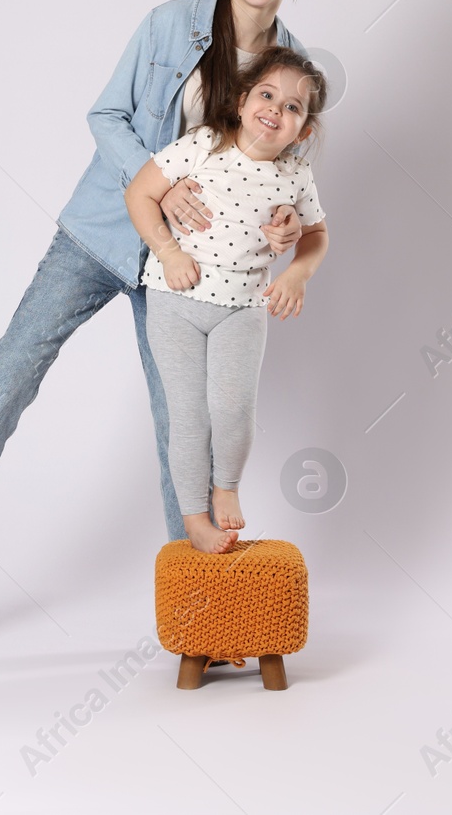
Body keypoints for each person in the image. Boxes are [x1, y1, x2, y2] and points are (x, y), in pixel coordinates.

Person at [0, 0, 314, 596]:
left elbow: (276, 174)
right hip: (103, 231)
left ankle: (197, 597)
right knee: (13, 365)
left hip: (189, 268)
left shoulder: (288, 69)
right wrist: (160, 188)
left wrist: (287, 224)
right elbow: (105, 113)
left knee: (183, 419)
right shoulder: (170, 24)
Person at [125, 47, 330, 553]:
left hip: (242, 308)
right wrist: (169, 252)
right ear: (241, 101)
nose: (275, 110)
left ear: (303, 131)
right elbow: (139, 193)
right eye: (266, 94)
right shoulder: (203, 144)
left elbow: (318, 234)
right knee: (188, 413)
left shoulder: (294, 177)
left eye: (292, 108)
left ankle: (226, 487)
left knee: (234, 407)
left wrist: (299, 274)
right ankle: (194, 516)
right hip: (176, 303)